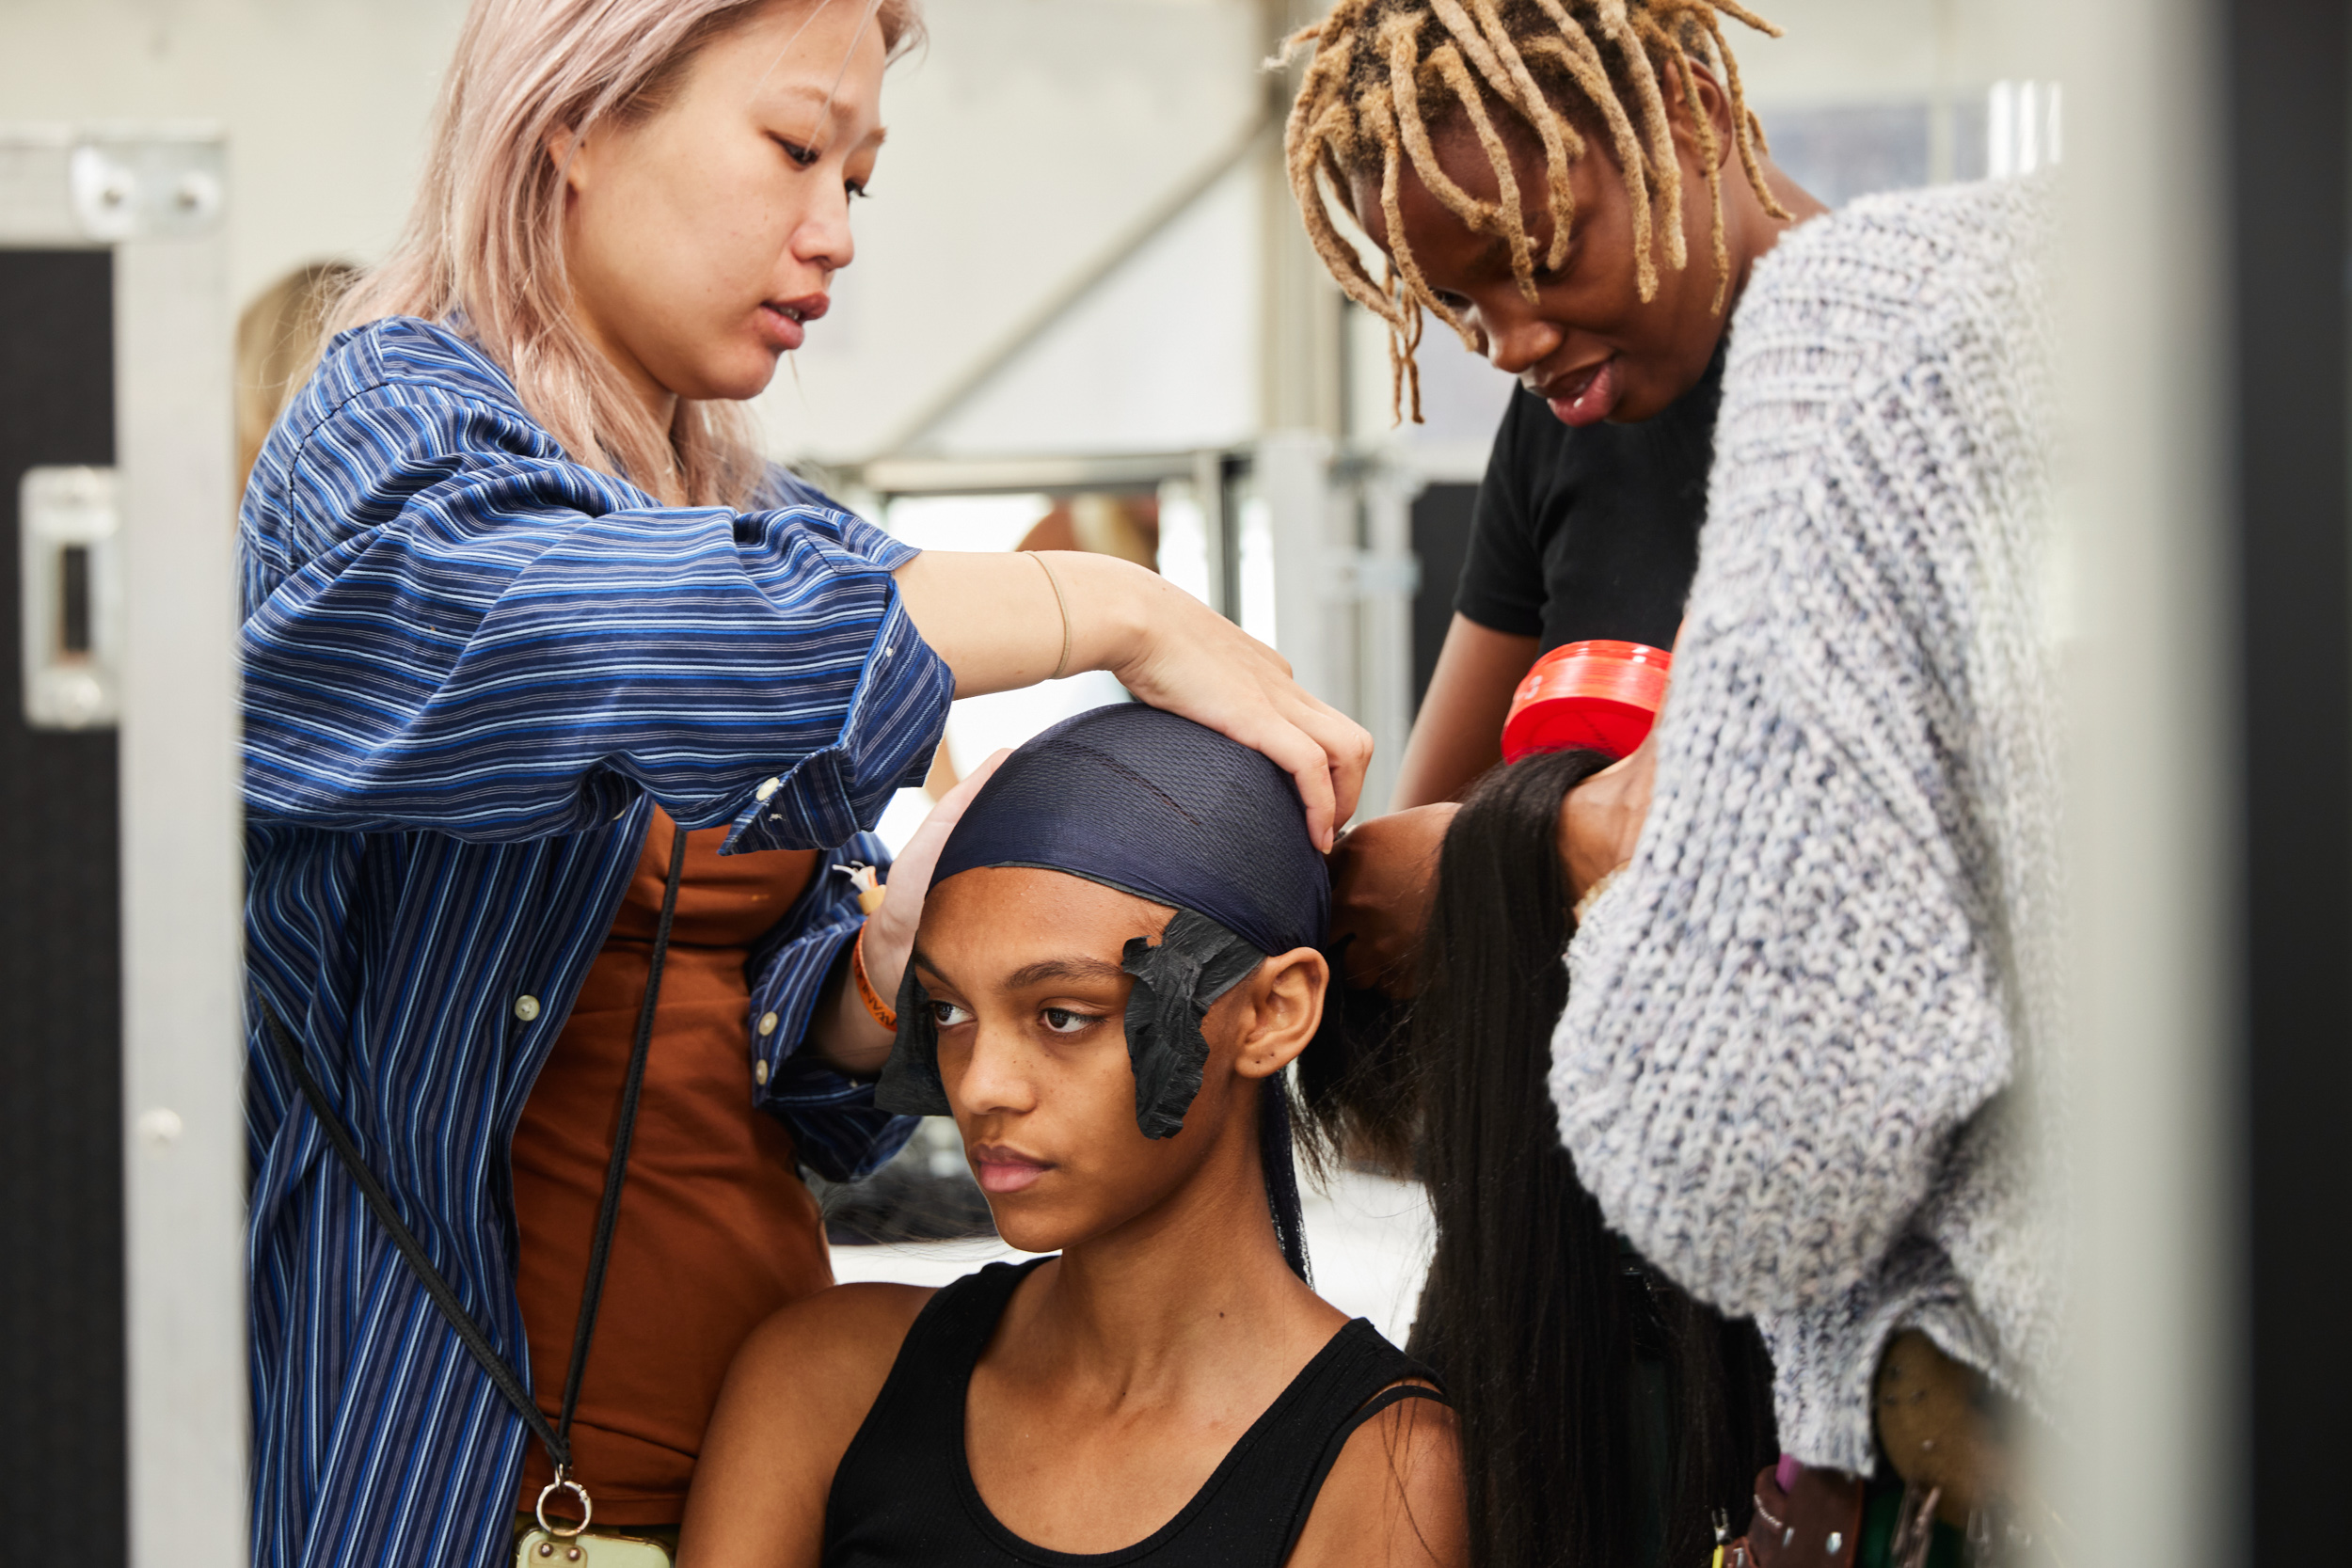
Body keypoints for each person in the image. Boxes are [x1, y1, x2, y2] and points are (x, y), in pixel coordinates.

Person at [238, 3, 1370, 1565]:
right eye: (792, 149)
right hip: (455, 1484)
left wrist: (885, 979)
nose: (833, 233)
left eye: (862, 180)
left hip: (778, 1459)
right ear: (575, 119)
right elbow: (599, 634)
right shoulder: (382, 441)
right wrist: (1102, 608)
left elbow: (754, 1049)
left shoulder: (773, 520)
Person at [677, 704, 1463, 1568]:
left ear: (1273, 1011)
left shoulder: (1385, 1465)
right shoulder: (826, 1376)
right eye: (947, 1011)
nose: (979, 1085)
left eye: (1062, 1014)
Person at [1283, 0, 1826, 823]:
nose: (1509, 346)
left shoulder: (1908, 382)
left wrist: (1544, 848)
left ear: (1692, 115)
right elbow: (1415, 851)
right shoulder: (1564, 418)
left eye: (1546, 256)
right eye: (1458, 300)